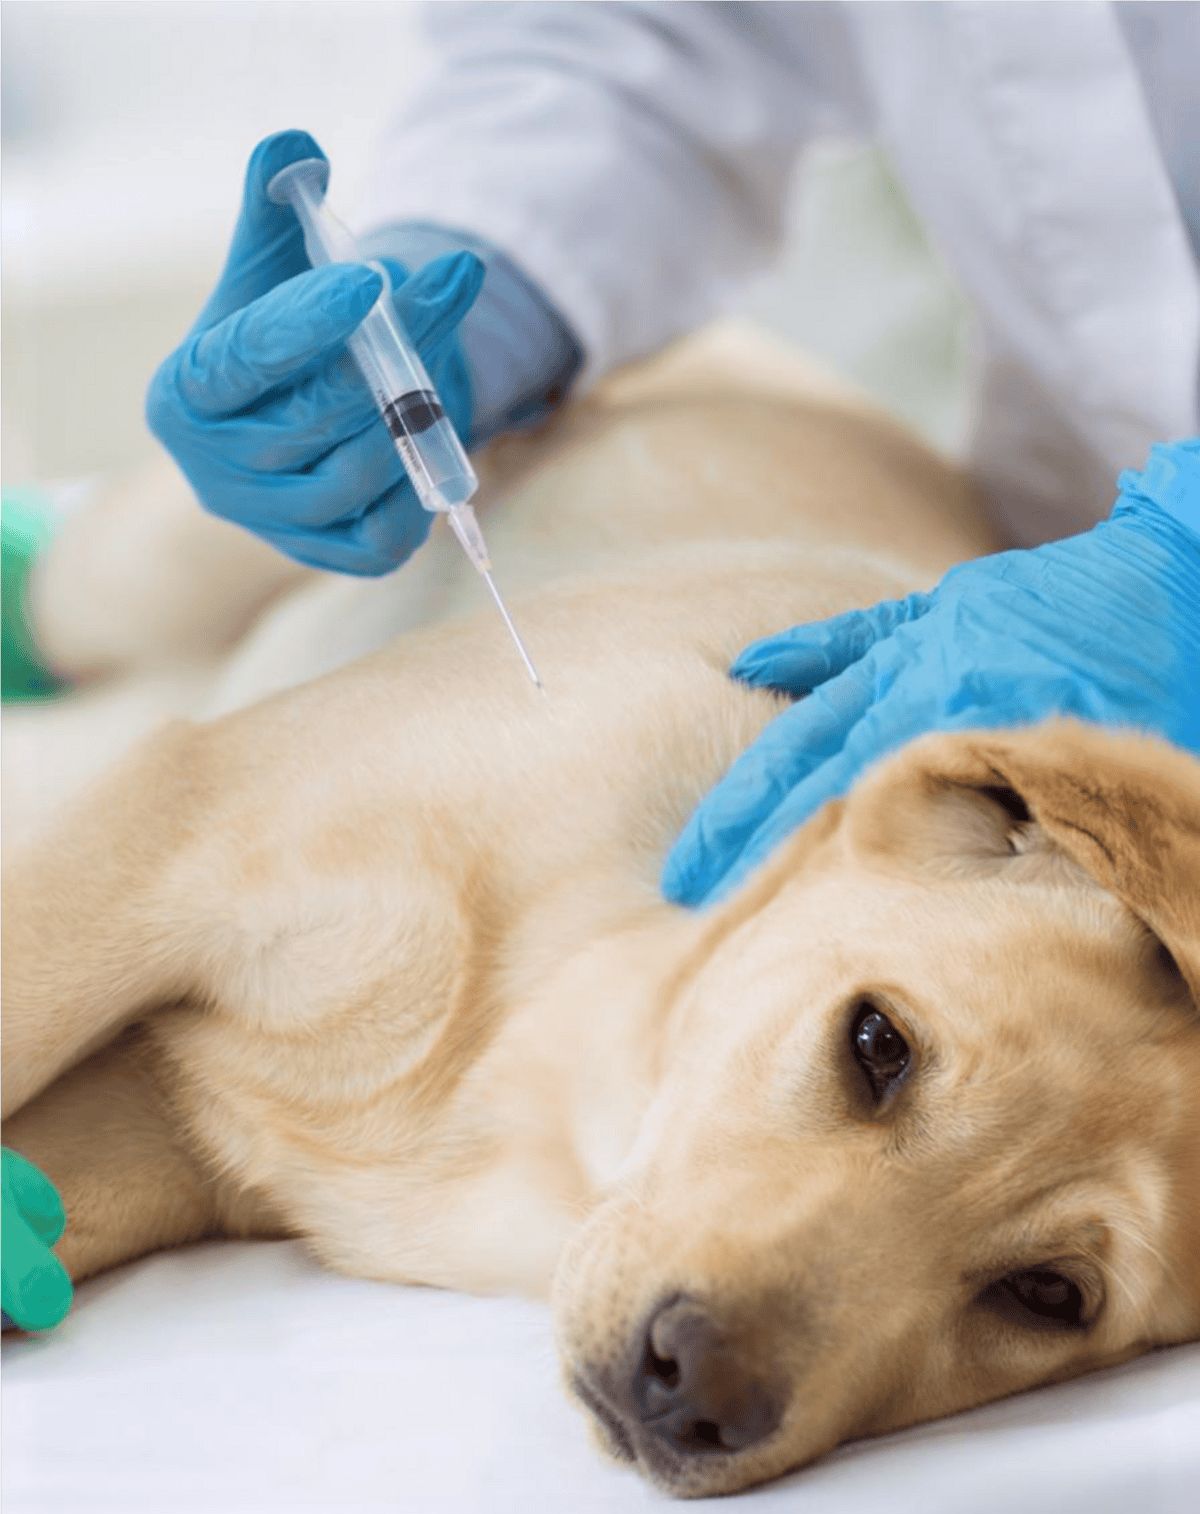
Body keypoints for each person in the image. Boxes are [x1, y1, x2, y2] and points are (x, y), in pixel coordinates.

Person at [5, 1, 1200, 1332]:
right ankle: (42, 598)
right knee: (142, 573)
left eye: (1049, 1295)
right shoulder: (844, 858)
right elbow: (657, 30)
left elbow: (223, 1119)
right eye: (876, 1053)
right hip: (767, 469)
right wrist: (476, 300)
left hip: (1102, 610)